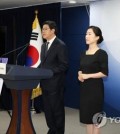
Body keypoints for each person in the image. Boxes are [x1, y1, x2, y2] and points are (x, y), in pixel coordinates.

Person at [78, 26, 108, 134]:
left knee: (95, 119)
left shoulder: (102, 53)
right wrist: (80, 74)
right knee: (87, 118)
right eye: (86, 34)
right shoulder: (83, 53)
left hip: (95, 90)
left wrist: (88, 76)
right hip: (84, 90)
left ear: (97, 37)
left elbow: (104, 73)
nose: (87, 36)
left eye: (90, 34)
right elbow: (80, 69)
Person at [40, 20, 68, 134]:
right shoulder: (43, 45)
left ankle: (59, 132)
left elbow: (64, 65)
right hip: (45, 84)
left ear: (53, 30)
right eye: (42, 29)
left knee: (57, 111)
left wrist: (49, 72)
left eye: (45, 29)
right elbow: (44, 64)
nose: (43, 31)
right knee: (48, 111)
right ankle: (52, 130)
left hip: (55, 85)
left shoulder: (60, 45)